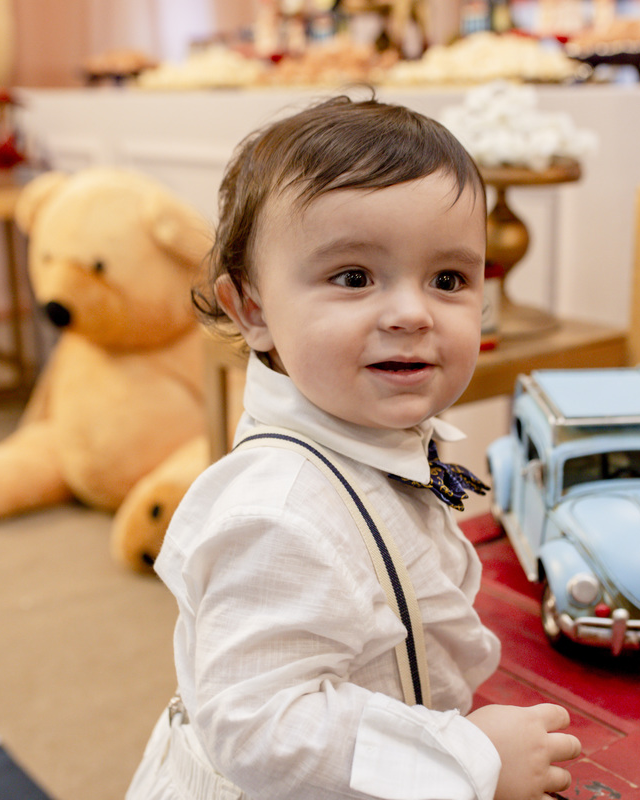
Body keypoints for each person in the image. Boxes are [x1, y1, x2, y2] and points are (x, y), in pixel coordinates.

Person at [128, 93, 581, 800]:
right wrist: (468, 759)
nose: (411, 313)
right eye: (353, 278)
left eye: (448, 280)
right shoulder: (278, 513)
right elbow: (260, 728)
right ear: (253, 310)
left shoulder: (374, 441)